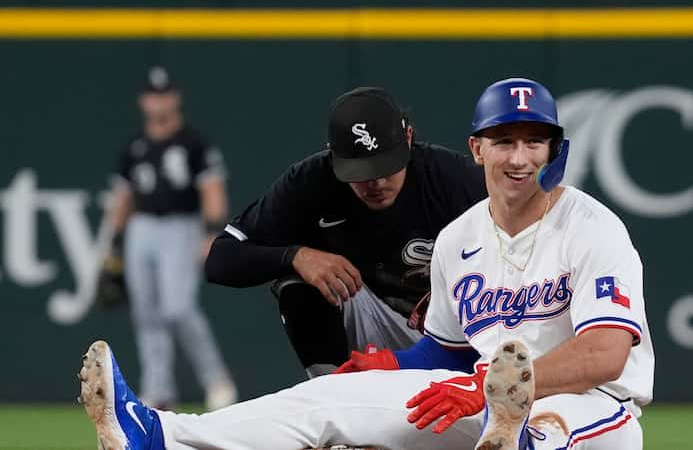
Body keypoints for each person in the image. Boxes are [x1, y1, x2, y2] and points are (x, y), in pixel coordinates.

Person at [78, 77, 654, 450]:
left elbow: (605, 354)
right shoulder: (460, 238)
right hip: (477, 399)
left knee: (546, 435)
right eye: (505, 141)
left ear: (556, 150)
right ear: (478, 148)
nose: (520, 157)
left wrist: (488, 390)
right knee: (324, 402)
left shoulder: (591, 226)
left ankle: (517, 440)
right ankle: (157, 434)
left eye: (535, 142)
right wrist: (388, 363)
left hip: (589, 410)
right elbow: (447, 352)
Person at [203, 86, 487, 377]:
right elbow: (220, 260)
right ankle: (332, 393)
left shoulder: (452, 179)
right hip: (371, 323)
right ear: (333, 156)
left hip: (451, 337)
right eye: (361, 171)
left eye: (386, 166)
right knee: (297, 281)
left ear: (409, 139)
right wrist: (295, 256)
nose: (375, 182)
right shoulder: (311, 182)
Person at [101, 66, 237, 411]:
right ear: (143, 101)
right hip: (142, 228)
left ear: (175, 98)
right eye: (152, 95)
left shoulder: (194, 143)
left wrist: (211, 231)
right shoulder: (135, 147)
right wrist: (115, 244)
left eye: (164, 94)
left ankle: (216, 379)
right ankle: (158, 390)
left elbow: (213, 190)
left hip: (181, 225)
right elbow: (123, 199)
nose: (158, 101)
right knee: (146, 313)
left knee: (178, 308)